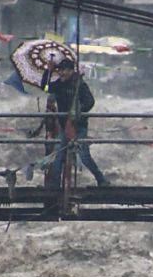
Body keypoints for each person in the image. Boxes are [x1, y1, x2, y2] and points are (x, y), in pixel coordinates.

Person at [43, 58, 110, 187]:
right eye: (60, 70)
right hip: (64, 126)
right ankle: (54, 187)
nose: (61, 73)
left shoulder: (79, 84)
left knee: (84, 154)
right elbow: (46, 88)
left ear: (71, 71)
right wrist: (48, 71)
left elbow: (90, 102)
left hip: (79, 126)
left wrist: (78, 110)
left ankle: (101, 179)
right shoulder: (59, 84)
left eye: (64, 70)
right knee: (58, 154)